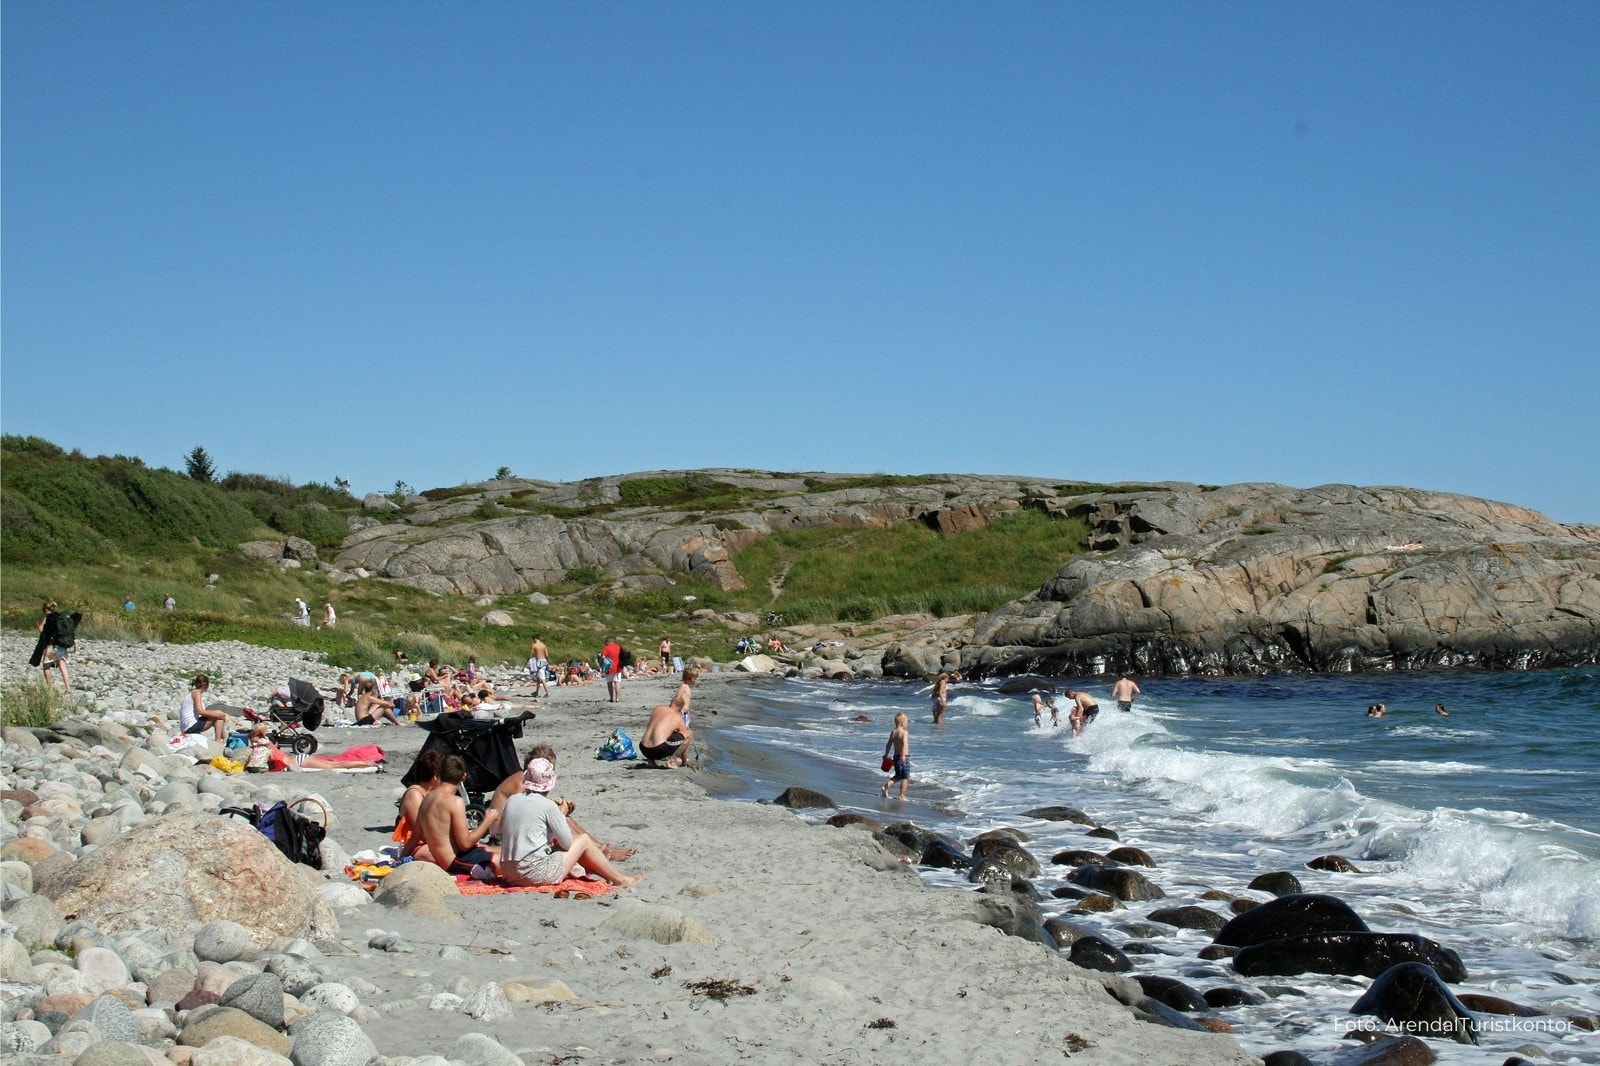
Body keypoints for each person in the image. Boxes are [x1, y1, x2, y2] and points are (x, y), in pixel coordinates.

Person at [495, 757, 642, 889]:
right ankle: (618, 879)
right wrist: (561, 814)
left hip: (509, 873)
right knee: (583, 840)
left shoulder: (512, 801)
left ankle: (609, 873)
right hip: (533, 874)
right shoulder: (547, 805)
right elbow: (567, 843)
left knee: (562, 846)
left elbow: (501, 830)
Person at [486, 745, 636, 861]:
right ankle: (598, 849)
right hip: (503, 836)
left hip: (515, 831)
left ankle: (598, 847)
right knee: (559, 819)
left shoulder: (525, 780)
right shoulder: (520, 784)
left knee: (564, 817)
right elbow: (524, 818)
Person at [411, 755, 501, 877]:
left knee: (503, 851)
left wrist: (399, 859)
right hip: (457, 861)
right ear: (464, 776)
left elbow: (414, 837)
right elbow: (465, 844)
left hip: (450, 859)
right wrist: (487, 821)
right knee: (514, 863)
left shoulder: (427, 799)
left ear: (440, 773)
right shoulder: (455, 802)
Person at [394, 749, 443, 851]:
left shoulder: (431, 793)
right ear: (435, 777)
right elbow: (420, 829)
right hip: (413, 845)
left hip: (429, 841)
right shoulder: (415, 794)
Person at [31, 601, 78, 694]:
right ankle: (68, 689)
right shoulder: (60, 617)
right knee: (63, 666)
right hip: (62, 646)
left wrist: (44, 619)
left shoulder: (49, 618)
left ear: (45, 610)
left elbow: (41, 629)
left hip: (52, 647)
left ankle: (49, 689)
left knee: (46, 666)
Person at [641, 699, 694, 767]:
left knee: (653, 730)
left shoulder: (657, 708)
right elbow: (685, 739)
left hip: (644, 749)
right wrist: (684, 761)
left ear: (670, 704)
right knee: (688, 734)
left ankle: (651, 762)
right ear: (680, 710)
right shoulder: (677, 717)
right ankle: (672, 762)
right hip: (659, 749)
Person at [179, 674, 228, 742]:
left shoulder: (192, 693)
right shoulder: (197, 693)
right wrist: (218, 715)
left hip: (186, 726)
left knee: (218, 714)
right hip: (190, 727)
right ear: (207, 685)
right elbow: (200, 711)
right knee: (219, 717)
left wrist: (217, 713)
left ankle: (223, 739)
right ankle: (219, 740)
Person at [881, 712, 911, 800]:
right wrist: (903, 755)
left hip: (896, 756)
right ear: (902, 723)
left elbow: (889, 744)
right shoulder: (904, 732)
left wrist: (886, 754)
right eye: (906, 722)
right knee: (905, 777)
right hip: (903, 757)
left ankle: (885, 787)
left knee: (898, 776)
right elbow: (904, 743)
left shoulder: (893, 732)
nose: (907, 724)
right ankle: (902, 795)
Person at [601, 636, 623, 703]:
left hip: (609, 668)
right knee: (617, 682)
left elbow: (603, 658)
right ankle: (617, 699)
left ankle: (611, 698)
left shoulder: (606, 648)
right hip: (618, 667)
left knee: (609, 683)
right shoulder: (619, 647)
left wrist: (603, 669)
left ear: (608, 642)